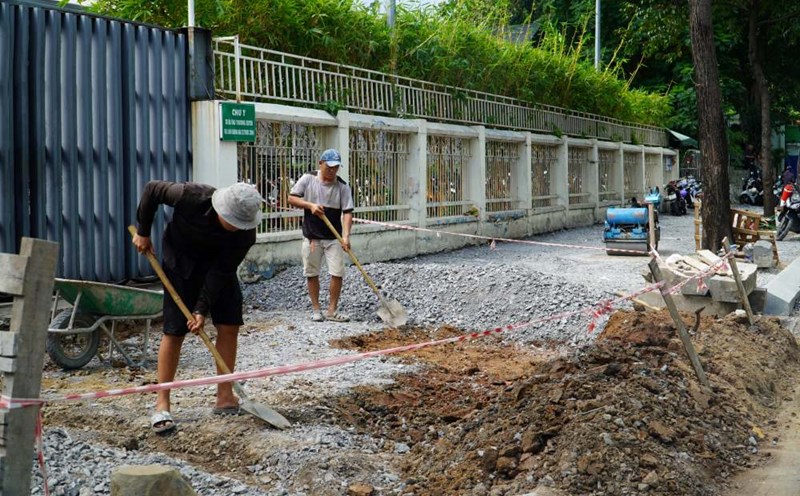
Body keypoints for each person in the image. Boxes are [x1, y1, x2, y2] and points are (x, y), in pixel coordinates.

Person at [132, 181, 263, 433]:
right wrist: (143, 231)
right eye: (233, 222)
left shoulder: (245, 233)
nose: (236, 228)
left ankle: (225, 396)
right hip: (180, 265)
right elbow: (151, 190)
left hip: (217, 271)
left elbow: (222, 270)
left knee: (229, 324)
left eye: (240, 224)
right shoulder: (190, 196)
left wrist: (201, 308)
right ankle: (162, 402)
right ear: (222, 210)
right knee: (174, 330)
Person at [288, 149, 354, 322]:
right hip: (312, 236)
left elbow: (347, 213)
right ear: (321, 163)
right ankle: (316, 309)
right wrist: (310, 205)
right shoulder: (308, 179)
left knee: (337, 272)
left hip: (334, 238)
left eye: (336, 167)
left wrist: (346, 236)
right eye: (329, 167)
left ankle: (332, 310)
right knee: (311, 272)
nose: (332, 171)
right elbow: (291, 198)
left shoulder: (342, 186)